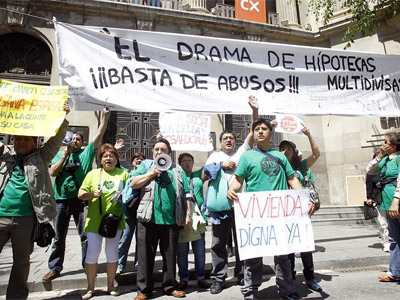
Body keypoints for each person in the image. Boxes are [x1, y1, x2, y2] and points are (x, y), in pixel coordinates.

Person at [228, 118, 314, 300]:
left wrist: (304, 198)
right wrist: (231, 190)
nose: (260, 131)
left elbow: (292, 179)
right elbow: (238, 179)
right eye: (256, 129)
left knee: (283, 256)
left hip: (280, 214)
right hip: (255, 215)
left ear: (270, 132)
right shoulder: (247, 156)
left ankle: (287, 291)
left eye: (264, 129)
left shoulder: (281, 156)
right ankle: (250, 292)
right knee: (253, 257)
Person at [0, 104, 70, 300]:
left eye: (26, 139)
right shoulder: (4, 155)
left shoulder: (41, 157)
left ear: (34, 143)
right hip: (1, 216)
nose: (21, 142)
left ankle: (16, 297)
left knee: (21, 262)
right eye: (18, 139)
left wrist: (62, 117)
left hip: (26, 219)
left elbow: (56, 141)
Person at [42, 107, 111, 282]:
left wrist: (105, 117)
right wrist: (64, 155)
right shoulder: (59, 153)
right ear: (67, 141)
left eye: (78, 139)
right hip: (61, 201)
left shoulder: (86, 153)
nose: (75, 141)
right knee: (59, 236)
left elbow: (100, 133)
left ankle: (87, 265)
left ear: (82, 142)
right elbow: (52, 173)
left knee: (84, 235)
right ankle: (55, 267)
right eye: (72, 139)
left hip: (81, 201)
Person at [203, 96, 259, 294]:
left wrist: (254, 111)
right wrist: (220, 166)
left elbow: (252, 133)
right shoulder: (214, 156)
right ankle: (219, 278)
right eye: (225, 138)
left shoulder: (242, 152)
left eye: (231, 138)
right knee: (218, 243)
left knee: (242, 242)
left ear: (236, 142)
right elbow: (203, 175)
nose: (228, 140)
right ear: (220, 142)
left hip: (241, 205)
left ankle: (243, 275)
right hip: (220, 208)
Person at [131, 138, 192, 300]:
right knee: (145, 257)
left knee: (170, 256)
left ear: (169, 153)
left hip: (171, 220)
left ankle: (170, 286)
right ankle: (143, 290)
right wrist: (151, 173)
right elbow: (133, 183)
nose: (159, 152)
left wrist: (187, 214)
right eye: (156, 149)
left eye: (163, 149)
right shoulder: (145, 166)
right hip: (147, 219)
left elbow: (187, 193)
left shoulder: (177, 169)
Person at [78, 143, 130, 299]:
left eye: (111, 156)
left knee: (112, 253)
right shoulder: (92, 174)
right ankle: (90, 288)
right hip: (94, 221)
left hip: (115, 222)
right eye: (105, 156)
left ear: (116, 158)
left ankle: (110, 286)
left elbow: (131, 195)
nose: (108, 158)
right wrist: (91, 194)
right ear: (100, 159)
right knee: (92, 253)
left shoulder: (124, 174)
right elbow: (80, 194)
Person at [278, 126, 321, 292]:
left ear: (294, 152)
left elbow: (316, 154)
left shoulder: (301, 166)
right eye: (282, 149)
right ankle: (290, 278)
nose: (286, 151)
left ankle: (310, 278)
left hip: (301, 212)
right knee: (287, 248)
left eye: (289, 148)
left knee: (305, 247)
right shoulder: (275, 167)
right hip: (283, 212)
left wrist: (309, 135)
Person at [366, 130, 400, 282]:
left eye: (387, 142)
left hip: (396, 203)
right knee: (394, 238)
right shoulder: (385, 159)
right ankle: (395, 272)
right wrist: (380, 155)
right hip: (387, 204)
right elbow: (370, 170)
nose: (384, 145)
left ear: (395, 145)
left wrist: (396, 201)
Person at [177, 153, 211, 289]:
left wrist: (209, 146)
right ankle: (183, 278)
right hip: (183, 217)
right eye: (184, 161)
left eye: (189, 160)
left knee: (199, 250)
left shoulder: (198, 175)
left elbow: (210, 165)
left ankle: (200, 277)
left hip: (198, 217)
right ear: (179, 163)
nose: (187, 163)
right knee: (182, 251)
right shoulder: (177, 176)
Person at [117, 151, 145, 274]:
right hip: (128, 213)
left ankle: (139, 265)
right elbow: (115, 165)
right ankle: (119, 265)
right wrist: (117, 150)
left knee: (141, 241)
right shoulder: (127, 173)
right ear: (132, 161)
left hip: (142, 212)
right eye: (136, 158)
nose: (138, 160)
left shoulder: (146, 174)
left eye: (141, 159)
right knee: (124, 240)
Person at [366, 152, 390, 252]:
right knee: (382, 223)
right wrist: (369, 197)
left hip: (390, 198)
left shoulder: (388, 169)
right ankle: (386, 242)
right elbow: (369, 185)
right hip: (378, 199)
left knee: (392, 223)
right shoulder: (372, 172)